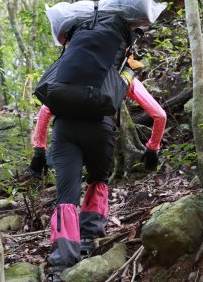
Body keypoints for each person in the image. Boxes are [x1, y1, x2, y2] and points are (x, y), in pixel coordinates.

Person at [29, 55, 166, 281]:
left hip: (65, 130)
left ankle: (61, 263)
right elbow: (159, 115)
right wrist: (152, 149)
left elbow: (45, 112)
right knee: (98, 180)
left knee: (66, 197)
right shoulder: (122, 75)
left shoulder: (71, 69)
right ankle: (88, 238)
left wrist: (39, 151)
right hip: (101, 131)